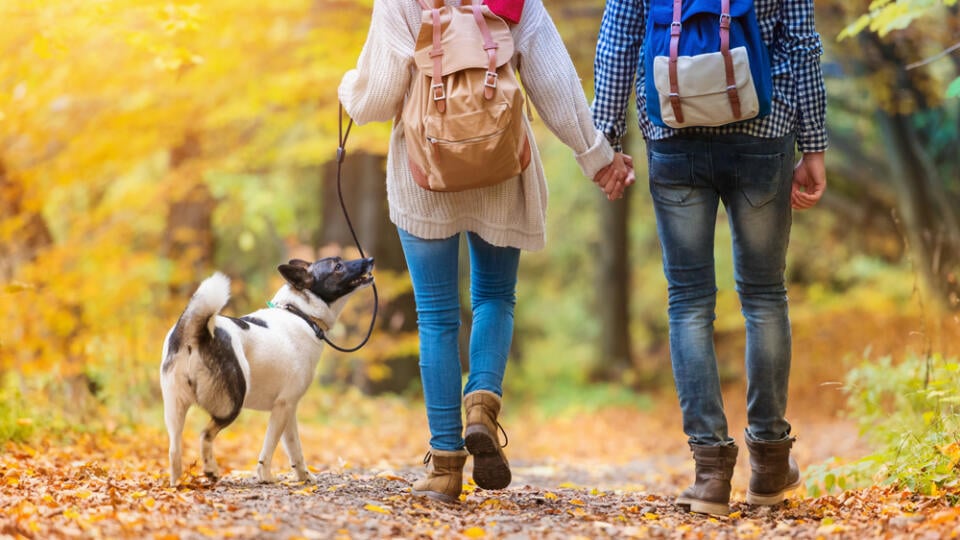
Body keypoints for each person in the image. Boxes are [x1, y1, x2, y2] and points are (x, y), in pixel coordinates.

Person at [339, 0, 634, 504]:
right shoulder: (516, 3)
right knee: (494, 296)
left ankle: (445, 467)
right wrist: (598, 159)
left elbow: (374, 100)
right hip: (502, 167)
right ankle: (482, 404)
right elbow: (556, 86)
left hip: (424, 174)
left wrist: (349, 86)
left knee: (435, 317)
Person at [592, 0, 828, 516]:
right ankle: (768, 464)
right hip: (763, 132)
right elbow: (803, 44)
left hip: (673, 136)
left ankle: (710, 475)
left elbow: (616, 42)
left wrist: (606, 141)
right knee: (764, 296)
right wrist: (813, 146)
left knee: (689, 303)